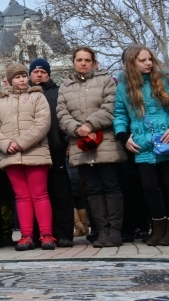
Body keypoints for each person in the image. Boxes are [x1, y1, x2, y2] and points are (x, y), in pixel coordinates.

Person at [114, 45, 169, 246]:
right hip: (142, 145)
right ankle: (158, 228)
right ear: (131, 63)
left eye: (149, 59)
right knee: (149, 187)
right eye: (142, 60)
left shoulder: (163, 79)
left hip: (166, 141)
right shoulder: (123, 86)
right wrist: (123, 135)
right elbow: (120, 114)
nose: (148, 63)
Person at [57, 47, 127, 247]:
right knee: (93, 189)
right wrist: (77, 128)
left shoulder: (106, 81)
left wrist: (90, 125)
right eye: (79, 59)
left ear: (94, 62)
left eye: (87, 59)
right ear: (73, 62)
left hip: (105, 142)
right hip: (81, 145)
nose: (83, 63)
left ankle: (115, 232)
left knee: (110, 185)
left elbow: (111, 107)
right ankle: (102, 231)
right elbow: (62, 114)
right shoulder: (66, 86)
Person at [0, 63, 55, 251]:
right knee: (22, 196)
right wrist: (6, 144)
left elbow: (42, 123)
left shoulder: (37, 97)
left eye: (24, 75)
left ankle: (46, 235)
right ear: (9, 80)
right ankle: (26, 236)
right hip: (10, 155)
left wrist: (21, 143)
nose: (22, 79)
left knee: (40, 194)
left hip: (35, 153)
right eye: (17, 77)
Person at [28, 59, 75, 248]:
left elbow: (65, 117)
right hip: (34, 151)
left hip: (55, 150)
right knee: (38, 195)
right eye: (35, 71)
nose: (39, 75)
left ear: (48, 74)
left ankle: (64, 234)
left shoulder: (58, 92)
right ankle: (41, 234)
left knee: (61, 194)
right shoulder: (26, 95)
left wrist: (63, 141)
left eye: (42, 71)